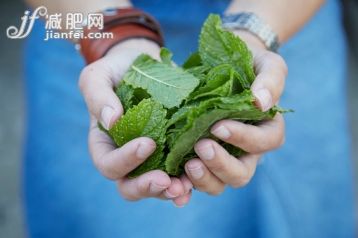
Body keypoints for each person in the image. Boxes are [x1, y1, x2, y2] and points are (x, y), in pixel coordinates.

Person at [23, 0, 356, 237]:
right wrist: (114, 36)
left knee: (307, 217)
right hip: (81, 17)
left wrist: (253, 32)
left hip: (284, 16)